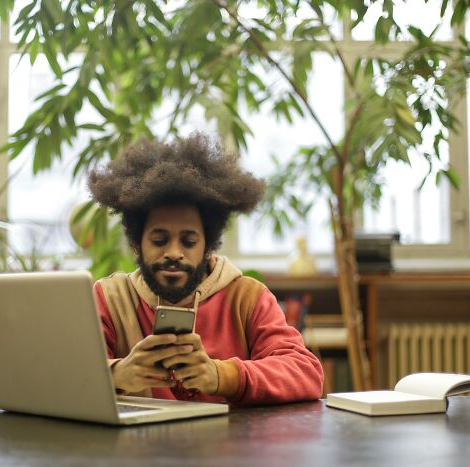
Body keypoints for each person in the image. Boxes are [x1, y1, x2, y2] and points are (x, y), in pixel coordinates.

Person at [88, 133, 323, 406]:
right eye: (159, 240)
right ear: (136, 245)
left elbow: (306, 373)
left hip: (229, 448)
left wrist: (221, 375)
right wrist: (116, 374)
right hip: (137, 448)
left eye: (189, 241)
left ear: (208, 246)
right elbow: (65, 376)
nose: (174, 253)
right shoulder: (109, 299)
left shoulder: (246, 297)